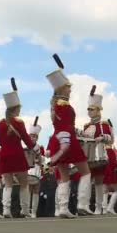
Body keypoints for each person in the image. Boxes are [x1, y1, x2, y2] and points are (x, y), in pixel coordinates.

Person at [45, 56, 92, 218]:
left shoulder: (54, 105)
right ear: (62, 89)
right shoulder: (65, 105)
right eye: (68, 87)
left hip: (57, 141)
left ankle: (63, 208)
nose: (70, 90)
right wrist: (78, 133)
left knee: (64, 176)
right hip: (68, 141)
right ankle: (82, 204)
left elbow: (62, 125)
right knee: (86, 172)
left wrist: (79, 132)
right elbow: (68, 126)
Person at [0, 79, 40, 218]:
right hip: (16, 154)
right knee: (23, 184)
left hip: (4, 155)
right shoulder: (19, 122)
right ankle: (25, 210)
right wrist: (35, 148)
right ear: (15, 109)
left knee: (8, 185)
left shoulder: (0, 123)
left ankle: (5, 210)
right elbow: (26, 139)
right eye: (19, 108)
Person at [81, 87, 116, 215]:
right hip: (88, 156)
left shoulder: (104, 124)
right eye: (88, 109)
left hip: (99, 156)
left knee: (99, 182)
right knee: (87, 181)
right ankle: (86, 205)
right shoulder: (86, 126)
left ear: (98, 110)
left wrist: (102, 137)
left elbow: (110, 139)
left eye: (92, 109)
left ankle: (99, 207)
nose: (89, 112)